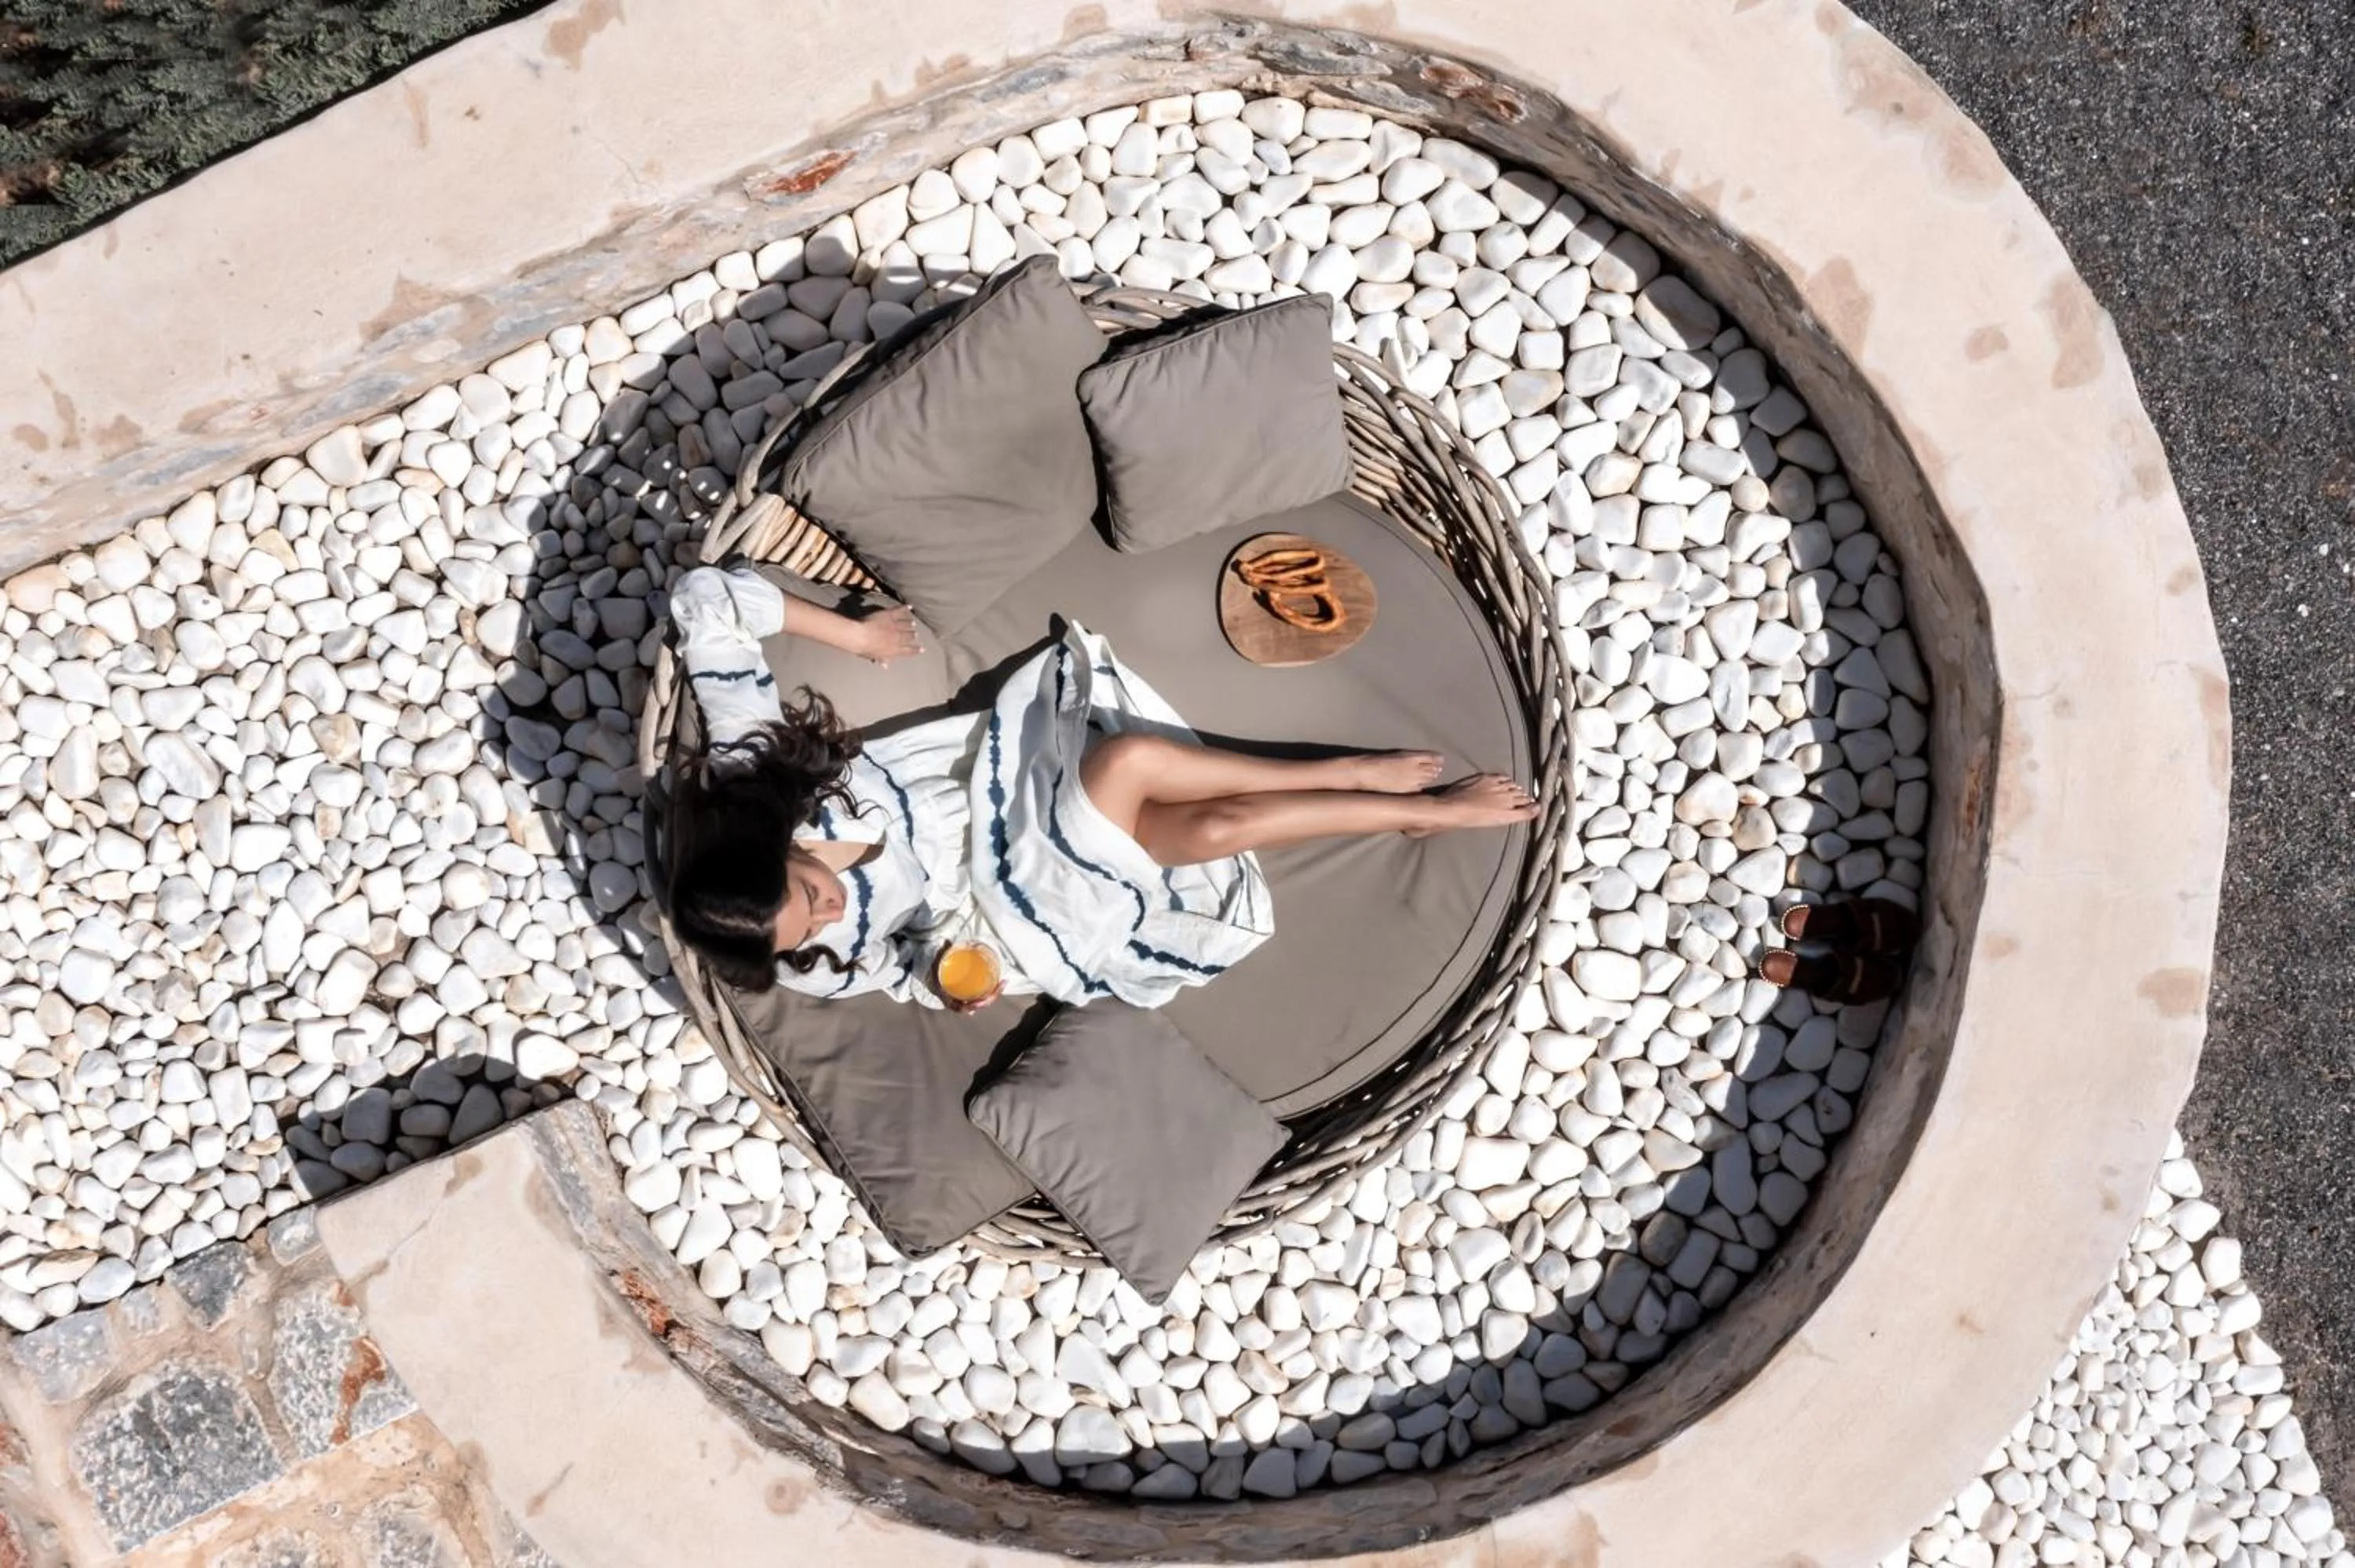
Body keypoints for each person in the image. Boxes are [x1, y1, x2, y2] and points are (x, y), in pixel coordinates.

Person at [660, 563, 1538, 1012]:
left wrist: (856, 641)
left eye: (808, 896)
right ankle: (1406, 811)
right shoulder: (808, 964)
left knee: (1189, 810)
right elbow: (905, 967)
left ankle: (1365, 788)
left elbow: (703, 599)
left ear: (765, 840)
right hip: (1004, 908)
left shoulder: (747, 770)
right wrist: (944, 984)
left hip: (997, 794)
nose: (824, 918)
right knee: (1145, 781)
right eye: (804, 932)